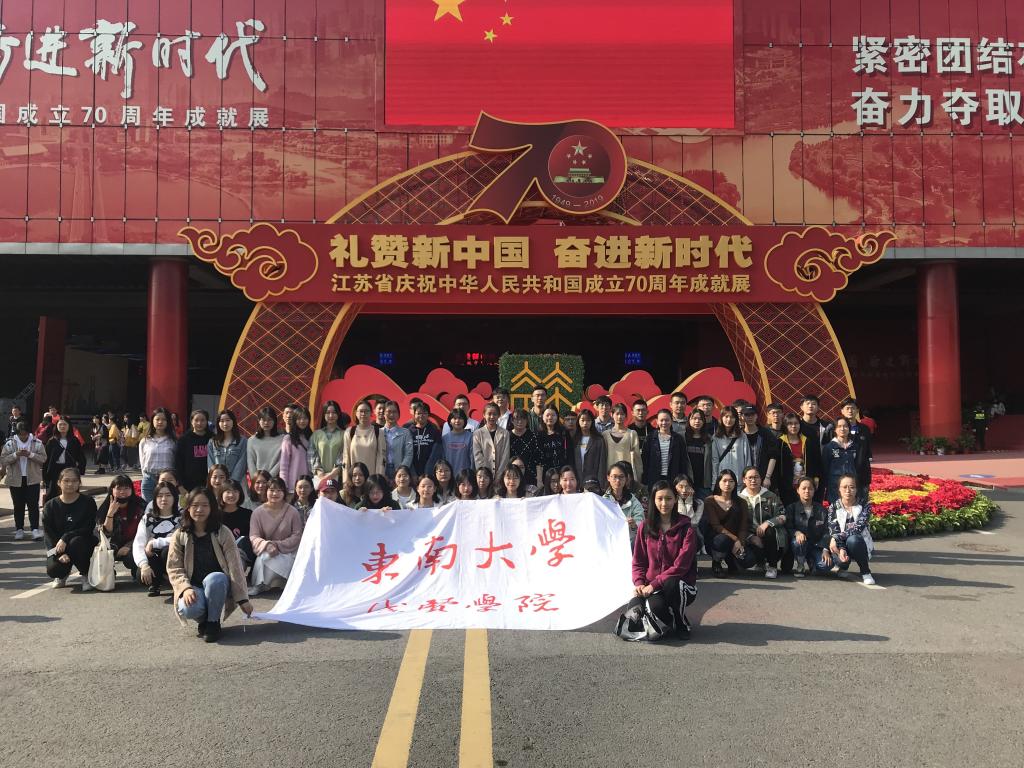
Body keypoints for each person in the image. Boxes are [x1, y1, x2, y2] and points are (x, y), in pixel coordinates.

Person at [167, 487, 253, 642]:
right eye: (195, 505)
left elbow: (235, 566)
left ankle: (213, 622)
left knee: (215, 579)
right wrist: (185, 588)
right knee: (187, 608)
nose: (199, 510)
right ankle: (205, 620)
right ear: (188, 508)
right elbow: (174, 568)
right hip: (193, 586)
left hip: (219, 585)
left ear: (212, 507)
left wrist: (243, 599)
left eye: (205, 505)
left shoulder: (223, 532)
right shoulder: (180, 534)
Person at [626, 480, 698, 640]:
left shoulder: (686, 528)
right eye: (659, 498)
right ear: (653, 500)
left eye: (669, 498)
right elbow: (638, 561)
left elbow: (681, 566)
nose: (664, 503)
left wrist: (654, 584)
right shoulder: (645, 527)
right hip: (653, 586)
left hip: (682, 585)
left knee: (672, 583)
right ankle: (668, 618)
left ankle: (681, 620)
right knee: (647, 610)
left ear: (675, 499)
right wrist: (639, 583)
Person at [40, 468, 98, 589]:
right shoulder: (50, 506)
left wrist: (66, 537)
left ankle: (86, 573)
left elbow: (88, 528)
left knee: (76, 542)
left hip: (83, 543)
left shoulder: (88, 502)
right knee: (53, 569)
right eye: (66, 480)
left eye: (74, 481)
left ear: (79, 483)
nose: (70, 484)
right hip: (58, 548)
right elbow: (48, 534)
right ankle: (62, 575)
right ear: (58, 482)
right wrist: (58, 554)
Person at [248, 477, 304, 595]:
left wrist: (276, 545)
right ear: (266, 491)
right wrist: (266, 545)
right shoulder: (257, 513)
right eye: (272, 490)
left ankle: (281, 584)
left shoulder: (292, 512)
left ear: (284, 493)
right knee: (264, 556)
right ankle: (260, 585)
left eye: (279, 490)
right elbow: (254, 536)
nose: (275, 493)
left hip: (289, 551)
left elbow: (297, 536)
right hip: (267, 550)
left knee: (266, 557)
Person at [133, 480, 183, 596]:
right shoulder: (147, 518)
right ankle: (156, 583)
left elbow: (182, 537)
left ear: (175, 497)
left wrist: (155, 542)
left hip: (176, 558)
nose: (164, 499)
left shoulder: (182, 517)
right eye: (160, 496)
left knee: (167, 551)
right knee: (140, 574)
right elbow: (138, 543)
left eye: (168, 495)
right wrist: (144, 565)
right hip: (154, 558)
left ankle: (176, 581)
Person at [826, 474, 877, 585]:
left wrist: (835, 538)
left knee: (853, 539)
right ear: (839, 489)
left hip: (860, 543)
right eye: (844, 487)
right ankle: (843, 566)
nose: (848, 490)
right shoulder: (833, 507)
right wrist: (841, 548)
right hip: (840, 544)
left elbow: (858, 528)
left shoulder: (864, 505)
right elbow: (833, 529)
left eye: (852, 487)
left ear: (856, 489)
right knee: (840, 561)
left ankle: (866, 572)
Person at [2, 420, 47, 541]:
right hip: (15, 479)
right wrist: (15, 455)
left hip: (32, 478)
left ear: (28, 432)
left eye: (25, 434)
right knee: (18, 505)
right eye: (20, 434)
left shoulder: (37, 443)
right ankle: (19, 529)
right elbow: (4, 460)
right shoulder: (10, 443)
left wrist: (30, 455)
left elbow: (43, 459)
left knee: (33, 505)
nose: (23, 436)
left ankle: (35, 529)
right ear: (17, 433)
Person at [739, 466, 787, 579]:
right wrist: (750, 537)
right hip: (749, 536)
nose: (753, 480)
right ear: (744, 480)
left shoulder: (771, 496)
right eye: (750, 478)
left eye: (756, 477)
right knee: (746, 561)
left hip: (770, 536)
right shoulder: (739, 498)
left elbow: (783, 516)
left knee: (770, 530)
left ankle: (772, 566)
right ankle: (760, 562)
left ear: (761, 479)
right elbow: (736, 523)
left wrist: (767, 523)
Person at [705, 469, 755, 576]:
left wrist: (740, 543)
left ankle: (731, 560)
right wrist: (735, 539)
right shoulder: (710, 501)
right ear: (718, 483)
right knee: (722, 540)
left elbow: (743, 526)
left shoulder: (742, 502)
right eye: (724, 481)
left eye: (731, 481)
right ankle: (717, 563)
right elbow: (716, 526)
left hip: (735, 540)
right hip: (716, 540)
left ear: (735, 483)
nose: (728, 484)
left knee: (749, 560)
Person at [97, 474, 146, 580]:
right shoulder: (105, 506)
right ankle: (108, 571)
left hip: (136, 542)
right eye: (118, 488)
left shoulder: (140, 505)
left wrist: (129, 545)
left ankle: (136, 569)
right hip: (113, 543)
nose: (122, 492)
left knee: (130, 559)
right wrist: (110, 514)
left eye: (126, 488)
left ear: (132, 490)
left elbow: (148, 530)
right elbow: (105, 534)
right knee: (100, 549)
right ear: (112, 490)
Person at [820, 417, 871, 505]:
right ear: (835, 429)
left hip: (852, 487)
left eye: (845, 426)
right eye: (839, 426)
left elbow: (859, 466)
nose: (842, 429)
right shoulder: (829, 447)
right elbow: (825, 468)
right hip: (835, 487)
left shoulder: (855, 446)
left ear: (849, 428)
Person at [785, 477, 829, 577]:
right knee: (798, 542)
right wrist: (796, 533)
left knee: (825, 566)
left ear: (814, 490)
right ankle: (800, 565)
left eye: (810, 488)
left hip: (815, 545)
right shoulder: (791, 508)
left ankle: (811, 559)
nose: (807, 491)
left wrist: (825, 549)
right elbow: (787, 527)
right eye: (803, 488)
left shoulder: (822, 510)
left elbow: (826, 531)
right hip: (798, 545)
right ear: (798, 490)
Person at [641, 409, 690, 487]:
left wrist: (683, 479)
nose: (664, 423)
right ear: (657, 421)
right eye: (661, 420)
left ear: (671, 421)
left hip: (673, 478)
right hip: (654, 478)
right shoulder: (650, 438)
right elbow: (645, 460)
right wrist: (644, 479)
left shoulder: (678, 439)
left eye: (667, 420)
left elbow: (683, 461)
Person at [43, 418, 86, 502]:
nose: (62, 426)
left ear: (69, 426)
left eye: (65, 424)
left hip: (69, 469)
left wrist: (80, 469)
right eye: (60, 424)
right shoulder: (52, 440)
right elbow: (46, 459)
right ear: (56, 426)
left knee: (71, 491)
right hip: (55, 470)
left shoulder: (74, 440)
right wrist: (45, 475)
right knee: (53, 493)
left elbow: (81, 456)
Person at [342, 400, 386, 483]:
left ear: (371, 413)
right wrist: (346, 480)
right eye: (361, 411)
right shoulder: (349, 432)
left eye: (366, 411)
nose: (363, 414)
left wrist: (378, 479)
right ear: (356, 413)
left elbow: (381, 457)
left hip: (372, 481)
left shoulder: (378, 432)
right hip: (354, 479)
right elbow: (345, 457)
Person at [139, 408, 176, 502]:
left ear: (168, 422)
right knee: (148, 507)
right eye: (157, 419)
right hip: (149, 479)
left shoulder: (173, 441)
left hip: (167, 480)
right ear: (152, 421)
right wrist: (145, 476)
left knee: (166, 506)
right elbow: (142, 462)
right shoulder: (145, 441)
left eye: (164, 419)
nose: (160, 422)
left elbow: (176, 461)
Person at [740, 405, 779, 493]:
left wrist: (767, 477)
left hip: (763, 478)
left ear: (757, 416)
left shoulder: (766, 433)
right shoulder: (739, 434)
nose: (750, 417)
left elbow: (773, 456)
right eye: (747, 415)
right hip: (743, 480)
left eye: (752, 414)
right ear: (742, 416)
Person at [604, 462, 644, 547]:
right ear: (608, 478)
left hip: (629, 545)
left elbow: (641, 520)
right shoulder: (603, 501)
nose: (618, 480)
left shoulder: (633, 500)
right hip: (609, 544)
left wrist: (634, 524)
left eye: (621, 477)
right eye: (614, 476)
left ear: (626, 479)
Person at [777, 412, 812, 506]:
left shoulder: (807, 441)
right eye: (790, 423)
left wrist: (815, 478)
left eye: (796, 423)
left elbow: (814, 462)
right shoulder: (780, 442)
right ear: (785, 425)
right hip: (787, 485)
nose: (793, 426)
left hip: (805, 485)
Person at [710, 405, 752, 481]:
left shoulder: (742, 436)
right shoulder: (716, 437)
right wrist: (715, 481)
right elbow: (714, 460)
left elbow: (747, 459)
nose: (729, 419)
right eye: (726, 416)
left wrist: (747, 478)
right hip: (723, 479)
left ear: (736, 419)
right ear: (721, 418)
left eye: (732, 417)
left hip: (739, 477)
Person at [206, 409, 248, 485]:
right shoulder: (212, 442)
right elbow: (210, 463)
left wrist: (232, 482)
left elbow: (242, 463)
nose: (225, 424)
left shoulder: (242, 441)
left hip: (237, 483)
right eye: (222, 421)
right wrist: (216, 479)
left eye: (228, 420)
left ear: (233, 421)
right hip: (218, 483)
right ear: (218, 423)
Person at [603, 403, 642, 484]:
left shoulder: (632, 434)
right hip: (610, 474)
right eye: (617, 414)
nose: (619, 417)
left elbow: (637, 457)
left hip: (626, 475)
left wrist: (639, 475)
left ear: (626, 416)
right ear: (612, 415)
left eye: (622, 414)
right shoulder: (605, 435)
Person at [471, 402, 511, 482]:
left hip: (500, 477)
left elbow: (505, 456)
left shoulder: (505, 433)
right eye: (489, 414)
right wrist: (485, 475)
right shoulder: (477, 433)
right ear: (484, 415)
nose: (492, 417)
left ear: (499, 415)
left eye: (495, 414)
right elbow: (478, 456)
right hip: (484, 477)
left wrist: (499, 475)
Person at [219, 479, 254, 569]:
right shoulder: (215, 515)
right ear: (221, 494)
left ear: (240, 493)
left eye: (235, 491)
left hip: (242, 556)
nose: (231, 495)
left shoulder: (248, 514)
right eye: (228, 492)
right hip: (221, 555)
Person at [175, 409, 211, 492]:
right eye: (196, 420)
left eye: (202, 420)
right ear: (191, 421)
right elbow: (178, 463)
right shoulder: (184, 440)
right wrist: (180, 484)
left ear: (207, 421)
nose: (199, 423)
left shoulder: (212, 439)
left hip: (208, 483)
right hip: (188, 484)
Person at [279, 405, 312, 492]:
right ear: (294, 420)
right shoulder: (288, 439)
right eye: (299, 418)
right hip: (293, 486)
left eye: (305, 418)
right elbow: (284, 466)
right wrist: (284, 486)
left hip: (310, 486)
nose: (302, 421)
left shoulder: (312, 437)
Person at [246, 406, 285, 479]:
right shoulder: (252, 440)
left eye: (269, 420)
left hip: (275, 481)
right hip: (257, 481)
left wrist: (268, 478)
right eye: (263, 420)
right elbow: (251, 463)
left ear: (274, 421)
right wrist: (257, 480)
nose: (266, 423)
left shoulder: (282, 439)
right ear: (259, 421)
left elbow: (282, 461)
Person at [682, 409, 713, 499]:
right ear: (689, 420)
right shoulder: (682, 437)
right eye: (694, 418)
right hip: (686, 482)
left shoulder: (709, 439)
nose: (697, 421)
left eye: (700, 419)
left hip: (704, 483)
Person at [573, 408, 608, 488]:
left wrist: (601, 484)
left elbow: (602, 463)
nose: (585, 423)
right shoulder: (574, 439)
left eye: (588, 420)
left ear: (592, 422)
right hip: (577, 481)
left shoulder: (598, 440)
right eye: (582, 420)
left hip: (593, 482)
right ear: (578, 421)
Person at [380, 400, 414, 480]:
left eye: (394, 412)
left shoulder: (405, 432)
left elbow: (408, 454)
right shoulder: (379, 432)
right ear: (384, 414)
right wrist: (380, 471)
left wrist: (401, 470)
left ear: (398, 415)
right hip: (382, 470)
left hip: (400, 469)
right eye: (389, 412)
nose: (391, 415)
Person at [508, 409, 543, 487]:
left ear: (527, 420)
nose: (520, 421)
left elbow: (539, 460)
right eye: (517, 418)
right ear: (512, 420)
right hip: (512, 478)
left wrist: (539, 480)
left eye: (523, 418)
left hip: (531, 478)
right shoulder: (507, 437)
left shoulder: (534, 437)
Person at [409, 402, 443, 479]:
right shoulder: (409, 431)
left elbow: (436, 452)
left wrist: (428, 472)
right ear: (414, 415)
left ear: (428, 415)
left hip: (430, 472)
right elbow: (407, 453)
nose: (421, 415)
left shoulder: (435, 431)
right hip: (413, 474)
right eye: (418, 413)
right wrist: (412, 473)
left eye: (424, 413)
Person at [674, 474, 706, 554]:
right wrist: (680, 502)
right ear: (675, 488)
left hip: (692, 534)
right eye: (681, 487)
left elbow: (693, 523)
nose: (684, 490)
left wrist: (689, 502)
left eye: (687, 487)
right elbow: (679, 523)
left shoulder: (699, 503)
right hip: (675, 534)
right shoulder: (672, 503)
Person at [537, 406, 572, 478]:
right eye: (547, 415)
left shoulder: (564, 433)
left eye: (553, 415)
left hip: (562, 473)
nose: (550, 418)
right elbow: (538, 459)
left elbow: (570, 454)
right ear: (542, 417)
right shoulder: (538, 435)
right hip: (546, 474)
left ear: (557, 417)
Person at [443, 408, 475, 477]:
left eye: (460, 418)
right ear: (450, 421)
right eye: (454, 418)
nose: (457, 421)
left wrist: (471, 475)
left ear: (465, 421)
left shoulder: (471, 437)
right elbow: (442, 459)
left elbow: (473, 459)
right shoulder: (445, 438)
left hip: (465, 476)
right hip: (449, 477)